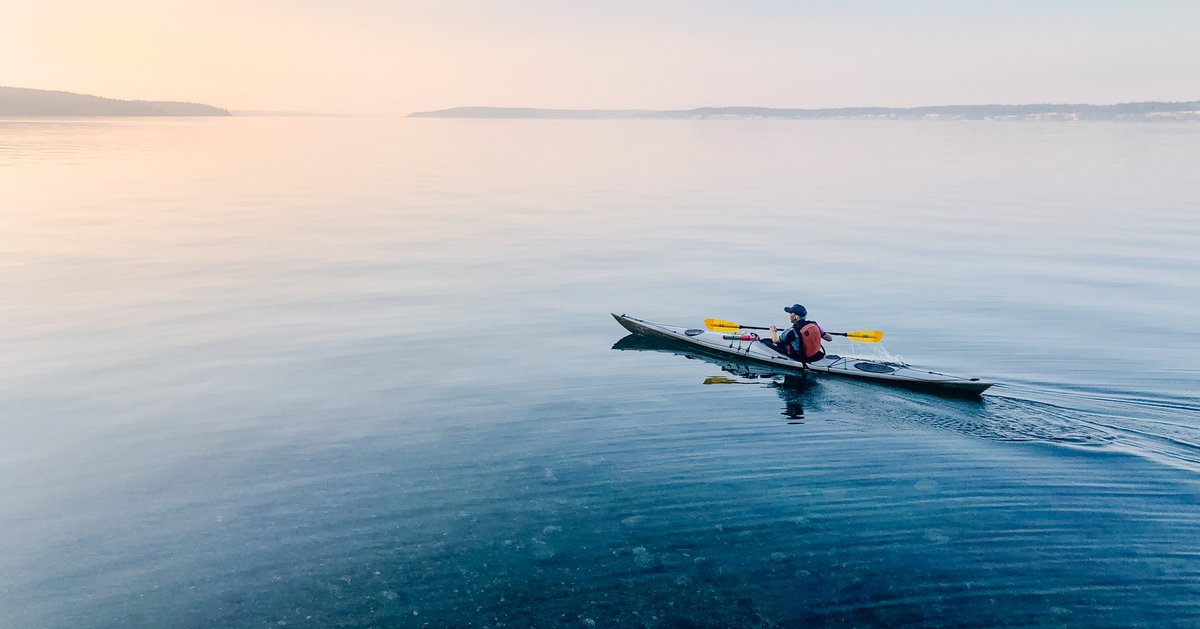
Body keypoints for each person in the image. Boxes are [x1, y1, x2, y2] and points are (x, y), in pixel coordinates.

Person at [764, 304, 833, 363]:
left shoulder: (791, 331)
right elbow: (829, 338)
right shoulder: (815, 325)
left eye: (791, 313)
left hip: (802, 358)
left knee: (768, 341)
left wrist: (773, 331)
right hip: (817, 355)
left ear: (795, 317)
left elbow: (775, 340)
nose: (789, 315)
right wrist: (819, 332)